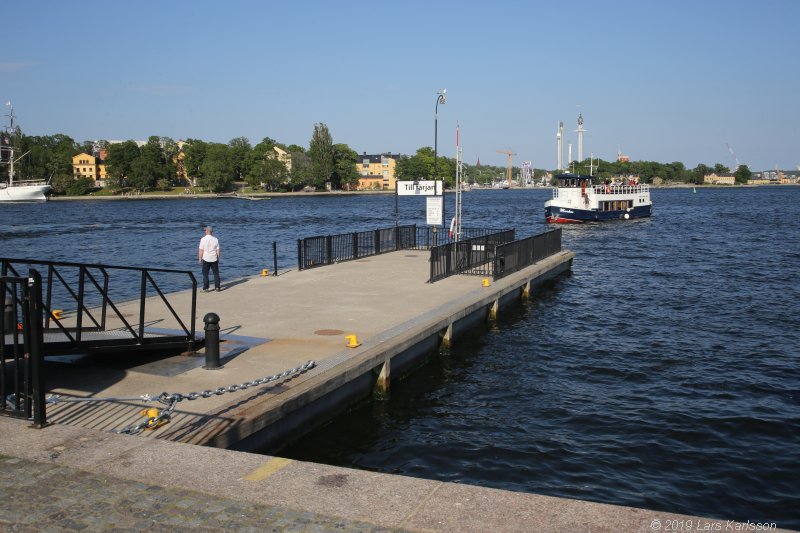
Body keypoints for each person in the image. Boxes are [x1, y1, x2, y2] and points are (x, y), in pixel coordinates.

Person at [198, 226, 221, 292]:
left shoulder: (203, 239)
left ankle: (205, 288)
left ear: (207, 231)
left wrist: (200, 258)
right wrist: (218, 258)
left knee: (205, 274)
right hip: (214, 258)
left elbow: (201, 250)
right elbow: (218, 250)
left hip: (206, 258)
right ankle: (217, 287)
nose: (204, 231)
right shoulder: (215, 239)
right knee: (216, 273)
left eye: (205, 230)